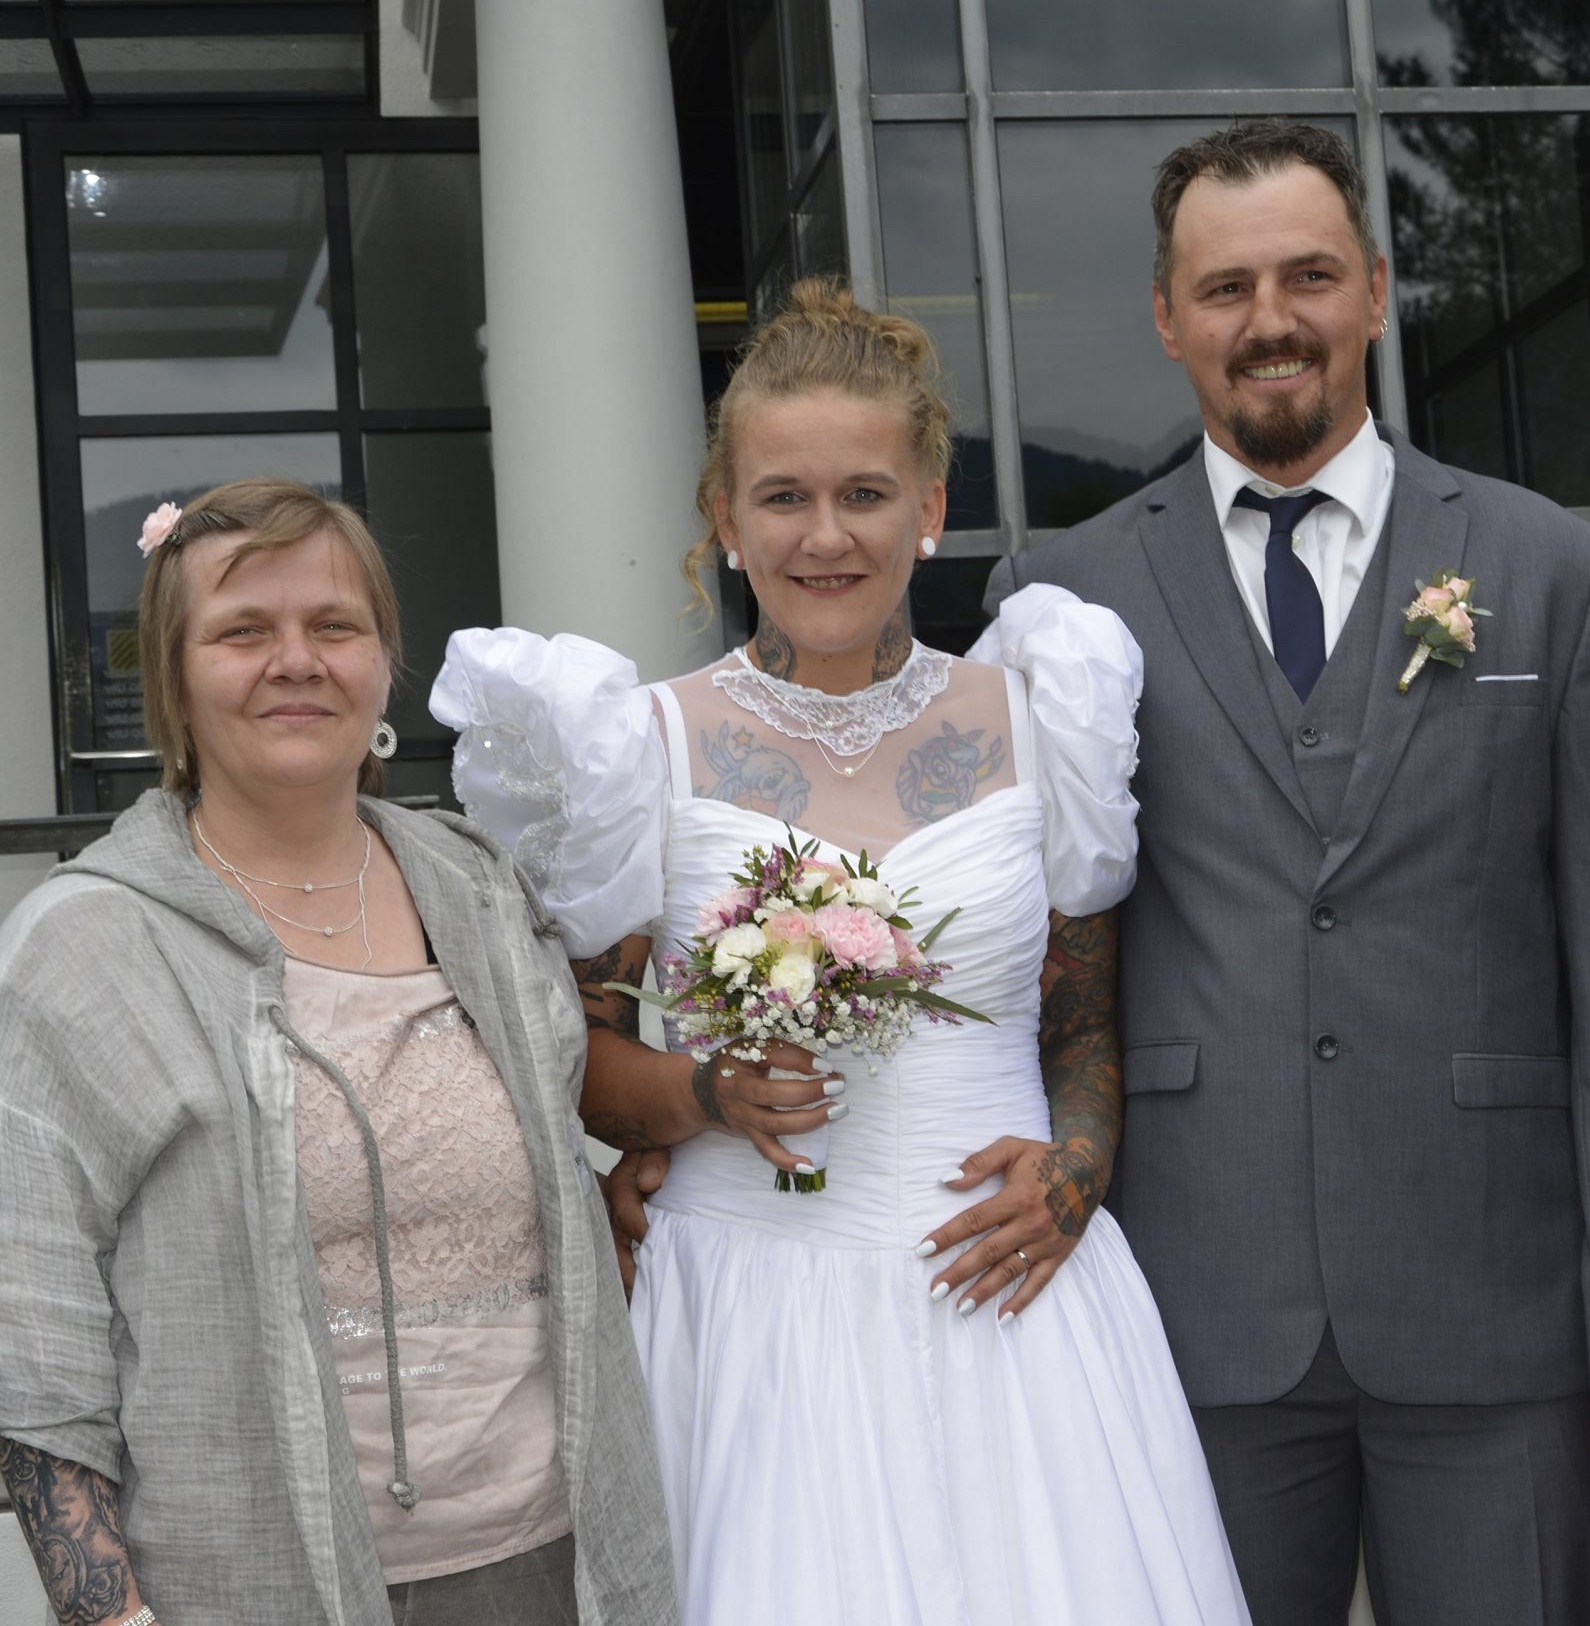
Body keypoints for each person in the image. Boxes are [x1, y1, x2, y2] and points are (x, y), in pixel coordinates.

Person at [431, 280, 1250, 1625]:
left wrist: (1076, 1173)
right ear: (725, 517)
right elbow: (580, 1056)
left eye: (866, 494)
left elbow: (1085, 1028)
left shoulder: (1049, 714)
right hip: (748, 1307)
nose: (826, 535)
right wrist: (705, 1096)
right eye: (783, 497)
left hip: (1013, 1298)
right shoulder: (639, 747)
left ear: (929, 506)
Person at [972, 119, 1590, 1625]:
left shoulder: (1553, 573)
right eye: (1225, 288)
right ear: (1168, 321)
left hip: (1498, 1305)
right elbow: (1029, 950)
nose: (1270, 320)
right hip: (1190, 1300)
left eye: (1307, 275)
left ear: (1374, 289)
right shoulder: (1056, 595)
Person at [0, 479, 676, 1626]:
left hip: (546, 1563)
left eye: (334, 626)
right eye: (243, 632)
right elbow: (34, 1329)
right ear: (173, 675)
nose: (296, 660)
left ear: (383, 661)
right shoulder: (87, 946)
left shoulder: (476, 891)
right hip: (247, 1581)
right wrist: (108, 1614)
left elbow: (556, 1173)